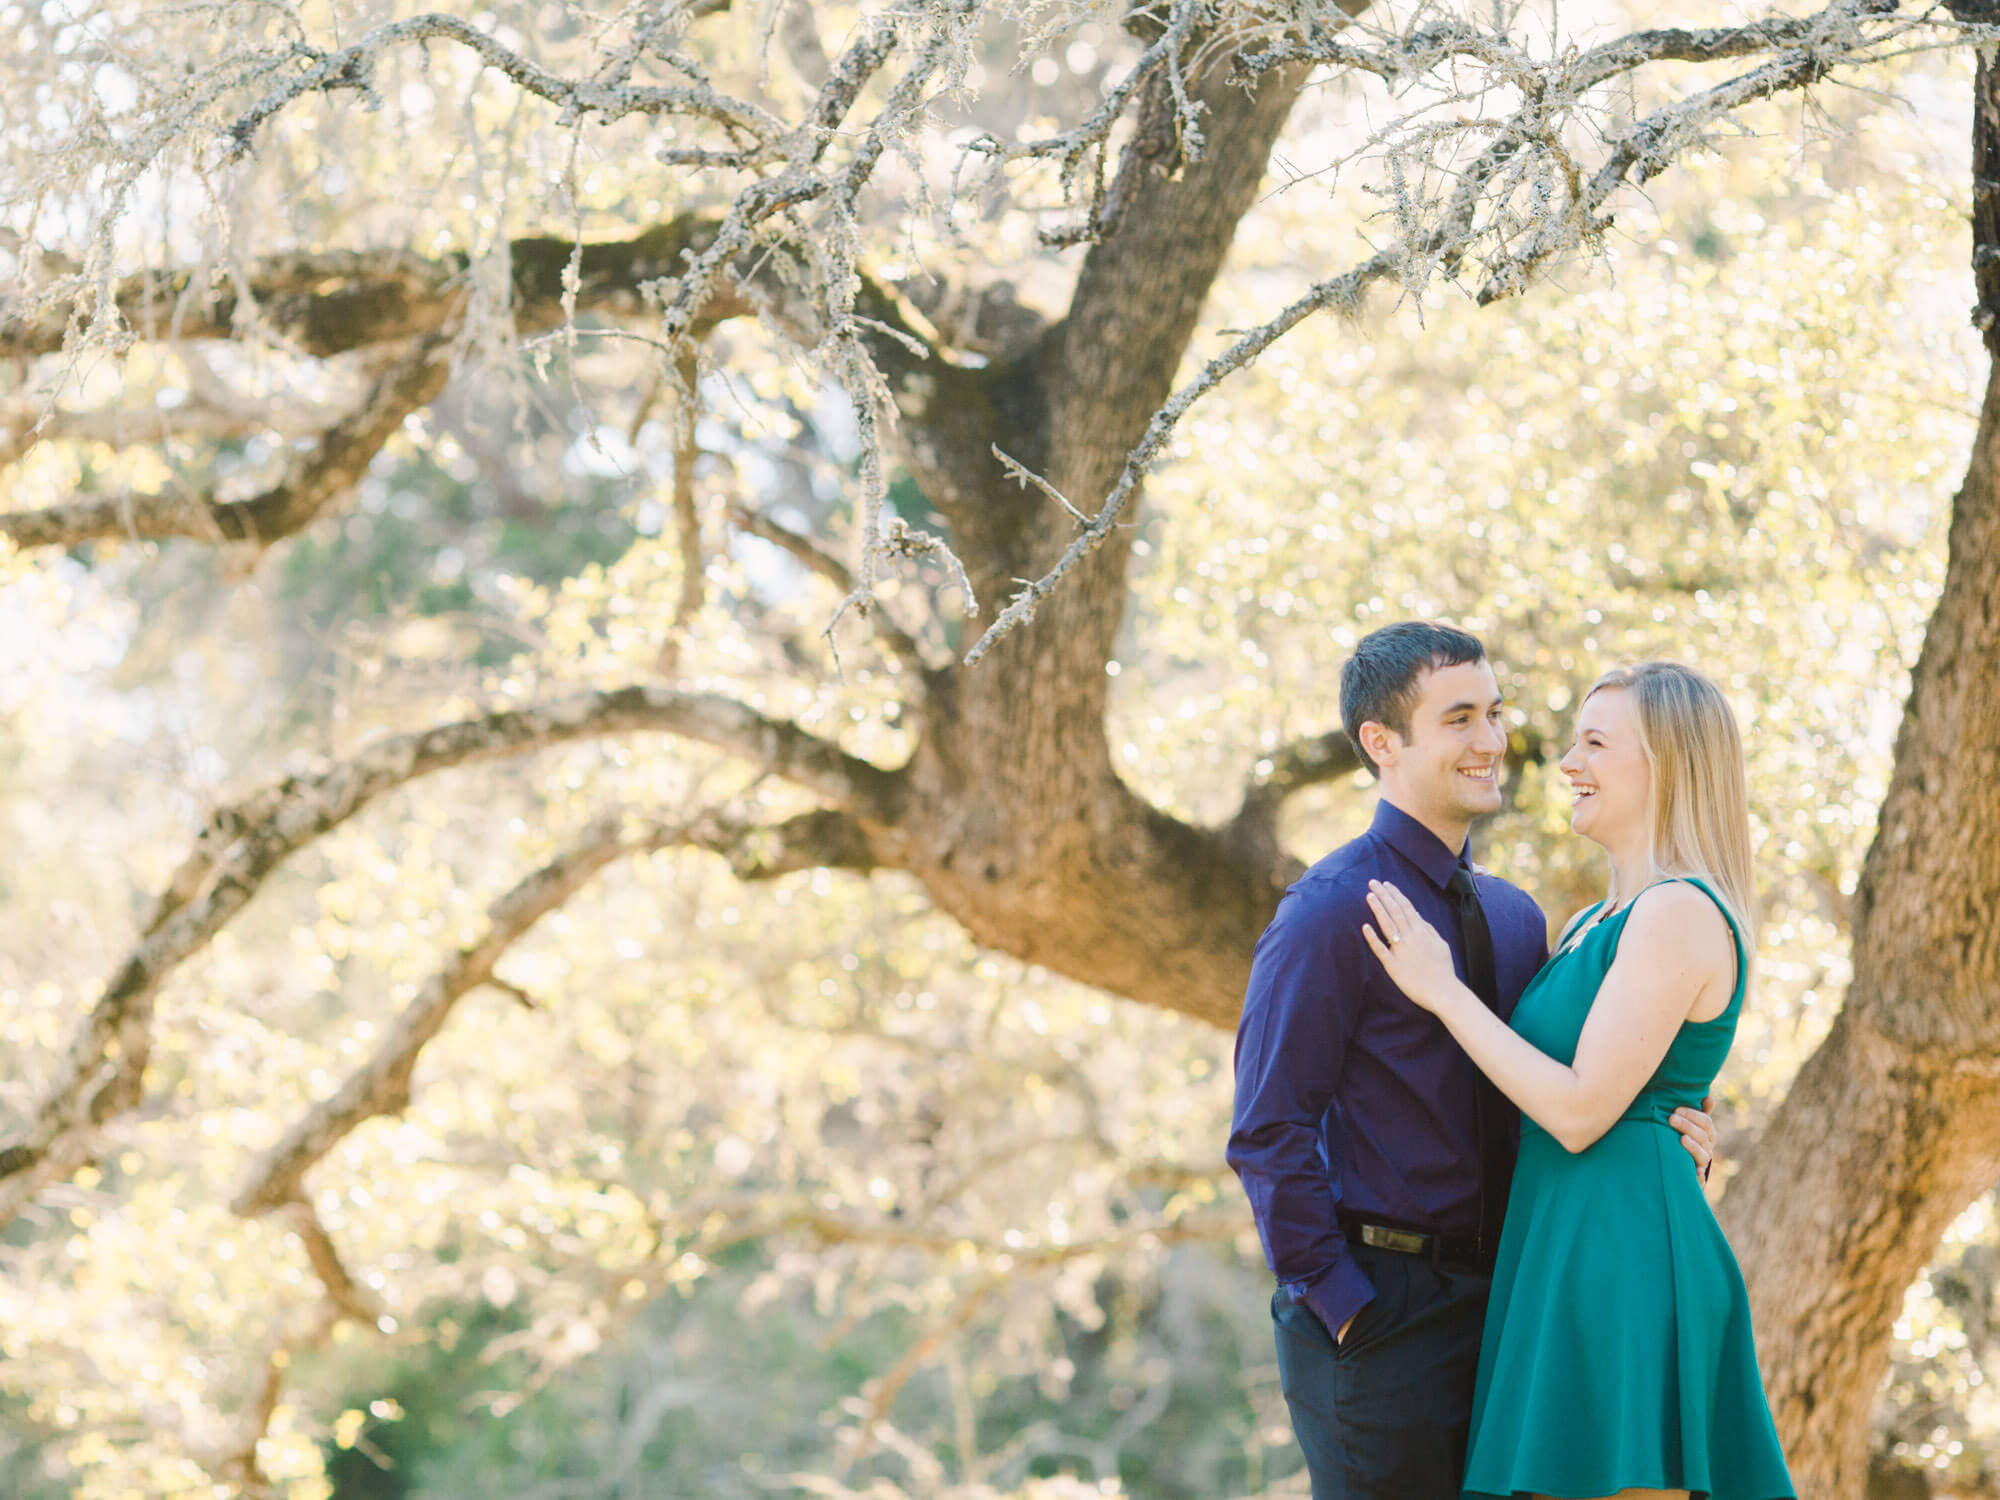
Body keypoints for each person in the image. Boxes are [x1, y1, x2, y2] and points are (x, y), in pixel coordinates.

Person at [1226, 623, 1719, 1499]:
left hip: (1512, 1309)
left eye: (1494, 713)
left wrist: (1663, 1135)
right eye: (1459, 719)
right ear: (1383, 743)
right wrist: (1342, 1306)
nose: (1491, 741)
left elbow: (1563, 1082)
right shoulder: (1333, 912)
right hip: (1383, 1317)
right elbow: (1268, 1129)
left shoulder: (1519, 917)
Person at [1362, 660, 1793, 1500]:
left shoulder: (1678, 912)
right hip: (1565, 1242)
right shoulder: (1596, 921)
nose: (1567, 764)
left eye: (1594, 743)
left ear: (1666, 763)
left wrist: (1440, 988)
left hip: (1620, 1258)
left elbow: (1581, 1111)